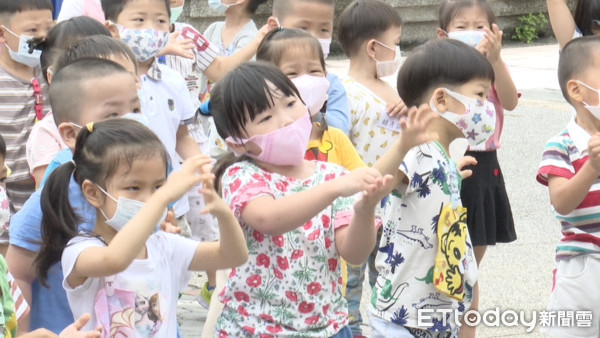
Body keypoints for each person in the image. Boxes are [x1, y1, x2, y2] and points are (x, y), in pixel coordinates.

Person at [207, 60, 430, 336]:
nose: (287, 119)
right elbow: (268, 217)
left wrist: (364, 211)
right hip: (257, 329)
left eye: (290, 103)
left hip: (328, 328)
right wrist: (334, 188)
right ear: (236, 143)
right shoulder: (241, 175)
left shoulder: (331, 173)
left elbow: (354, 253)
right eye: (265, 118)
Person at [34, 118, 248, 336]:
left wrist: (223, 214)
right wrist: (163, 195)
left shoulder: (165, 247)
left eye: (158, 185)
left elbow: (233, 256)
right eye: (134, 187)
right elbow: (115, 260)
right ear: (93, 193)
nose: (149, 198)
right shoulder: (80, 250)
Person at [7, 56, 140, 334]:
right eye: (113, 115)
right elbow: (18, 272)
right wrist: (22, 333)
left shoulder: (145, 178)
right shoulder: (59, 192)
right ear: (70, 134)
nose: (131, 122)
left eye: (135, 109)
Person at [369, 38, 488, 337]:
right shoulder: (418, 151)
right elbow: (376, 185)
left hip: (434, 315)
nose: (486, 107)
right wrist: (401, 146)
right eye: (480, 95)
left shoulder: (440, 156)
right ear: (442, 99)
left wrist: (449, 176)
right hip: (404, 318)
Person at [437, 3, 519, 334]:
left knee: (468, 268)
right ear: (442, 34)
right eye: (462, 26)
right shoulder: (434, 67)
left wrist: (496, 59)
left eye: (480, 25)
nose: (471, 31)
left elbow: (511, 102)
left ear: (494, 31)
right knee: (441, 266)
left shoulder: (491, 68)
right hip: (442, 163)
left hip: (481, 167)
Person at [103, 0, 208, 237]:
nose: (151, 29)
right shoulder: (102, 82)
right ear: (113, 29)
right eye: (139, 20)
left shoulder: (173, 80)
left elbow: (182, 135)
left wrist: (204, 168)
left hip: (172, 205)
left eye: (160, 21)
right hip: (121, 207)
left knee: (176, 267)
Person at [336, 0, 405, 333]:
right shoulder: (345, 94)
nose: (399, 51)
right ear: (374, 48)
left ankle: (382, 325)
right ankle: (351, 327)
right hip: (355, 203)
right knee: (350, 275)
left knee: (386, 273)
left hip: (391, 203)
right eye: (396, 43)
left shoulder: (391, 90)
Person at [536, 35, 600, 337]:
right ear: (577, 90)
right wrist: (591, 168)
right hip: (583, 268)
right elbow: (561, 202)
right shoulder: (561, 144)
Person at [26, 16, 112, 189]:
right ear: (53, 76)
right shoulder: (48, 132)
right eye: (85, 67)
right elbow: (50, 195)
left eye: (106, 65)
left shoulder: (120, 115)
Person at [0, 0, 53, 254]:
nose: (42, 37)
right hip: (6, 195)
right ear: (2, 33)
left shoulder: (51, 72)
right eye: (32, 31)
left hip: (45, 192)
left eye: (48, 29)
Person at [268, 0, 352, 134]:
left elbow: (341, 130)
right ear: (274, 26)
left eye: (324, 29)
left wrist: (315, 105)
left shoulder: (331, 84)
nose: (313, 37)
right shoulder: (259, 81)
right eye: (302, 29)